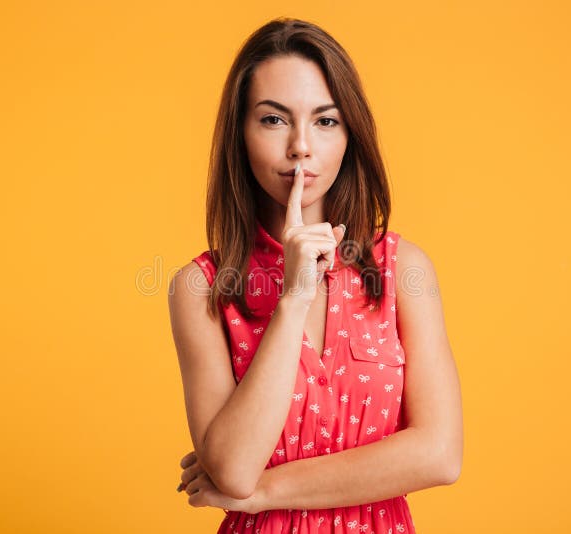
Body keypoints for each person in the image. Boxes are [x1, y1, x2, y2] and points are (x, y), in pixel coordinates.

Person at [168, 17, 463, 533]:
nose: (301, 146)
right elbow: (234, 469)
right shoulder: (203, 288)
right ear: (239, 133)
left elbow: (439, 454)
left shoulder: (402, 270)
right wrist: (293, 297)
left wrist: (268, 490)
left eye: (325, 121)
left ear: (350, 135)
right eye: (274, 120)